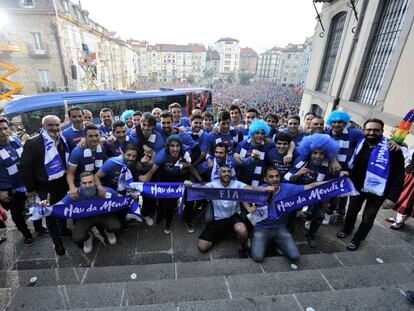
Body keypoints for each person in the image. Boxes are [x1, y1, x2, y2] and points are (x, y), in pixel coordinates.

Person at [337, 119, 405, 251]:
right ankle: (348, 228)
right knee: (351, 211)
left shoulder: (393, 149)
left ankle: (358, 238)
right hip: (357, 186)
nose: (372, 132)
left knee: (368, 218)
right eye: (369, 130)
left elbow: (398, 175)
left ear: (382, 131)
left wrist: (392, 197)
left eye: (376, 130)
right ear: (364, 130)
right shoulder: (359, 142)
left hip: (379, 191)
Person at [186, 165, 272, 258]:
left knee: (243, 230)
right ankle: (221, 233)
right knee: (202, 247)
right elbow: (201, 188)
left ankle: (242, 247)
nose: (226, 174)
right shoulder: (213, 184)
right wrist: (190, 185)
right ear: (219, 174)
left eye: (228, 171)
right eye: (223, 171)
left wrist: (264, 189)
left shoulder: (237, 184)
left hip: (233, 217)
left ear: (231, 173)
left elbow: (251, 188)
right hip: (218, 219)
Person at [250, 166, 323, 263]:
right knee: (257, 257)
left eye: (277, 176)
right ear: (265, 179)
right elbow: (242, 195)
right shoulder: (258, 190)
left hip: (279, 227)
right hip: (261, 228)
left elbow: (310, 186)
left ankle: (275, 242)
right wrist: (250, 208)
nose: (275, 179)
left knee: (295, 256)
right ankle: (256, 240)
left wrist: (335, 183)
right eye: (271, 177)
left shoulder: (287, 188)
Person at [19, 115, 70, 255]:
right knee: (50, 215)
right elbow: (24, 167)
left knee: (62, 209)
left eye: (57, 125)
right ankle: (57, 243)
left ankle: (63, 230)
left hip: (62, 184)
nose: (55, 128)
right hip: (45, 187)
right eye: (51, 125)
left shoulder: (62, 139)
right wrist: (31, 189)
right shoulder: (33, 143)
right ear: (44, 127)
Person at [140, 135, 203, 234]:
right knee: (168, 201)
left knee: (190, 198)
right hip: (168, 178)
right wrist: (143, 187)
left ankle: (187, 220)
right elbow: (151, 172)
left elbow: (191, 167)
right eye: (172, 146)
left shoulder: (185, 152)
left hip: (183, 177)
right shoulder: (162, 155)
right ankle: (168, 222)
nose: (175, 149)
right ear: (167, 147)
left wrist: (201, 181)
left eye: (177, 146)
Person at [285, 133, 340, 247]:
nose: (318, 156)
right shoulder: (302, 161)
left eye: (321, 153)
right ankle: (289, 230)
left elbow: (334, 185)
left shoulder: (330, 166)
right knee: (290, 209)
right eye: (315, 152)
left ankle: (311, 235)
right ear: (309, 151)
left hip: (317, 195)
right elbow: (287, 178)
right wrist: (297, 174)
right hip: (299, 192)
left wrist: (326, 200)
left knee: (319, 215)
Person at [0, 118, 47, 245]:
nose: (3, 132)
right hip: (9, 189)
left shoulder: (15, 140)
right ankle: (26, 235)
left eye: (5, 128)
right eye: (0, 129)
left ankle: (39, 228)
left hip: (26, 184)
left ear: (9, 129)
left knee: (35, 206)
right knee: (17, 215)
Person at [57, 172, 121, 254]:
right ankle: (88, 237)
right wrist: (46, 206)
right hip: (85, 218)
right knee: (78, 238)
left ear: (95, 182)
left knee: (116, 226)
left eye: (90, 182)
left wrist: (131, 195)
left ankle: (108, 231)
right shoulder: (75, 193)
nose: (87, 185)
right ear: (80, 184)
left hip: (103, 215)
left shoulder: (103, 190)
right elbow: (59, 204)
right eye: (84, 183)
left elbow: (119, 197)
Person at [67, 124, 103, 200]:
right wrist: (72, 187)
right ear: (85, 137)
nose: (94, 138)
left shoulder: (102, 147)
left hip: (96, 182)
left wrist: (99, 186)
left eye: (96, 135)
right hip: (82, 185)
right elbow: (70, 173)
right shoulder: (77, 152)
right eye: (90, 136)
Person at [234, 119, 271, 186]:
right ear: (252, 133)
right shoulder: (242, 145)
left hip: (259, 182)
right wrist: (235, 154)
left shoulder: (267, 146)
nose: (260, 135)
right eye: (257, 133)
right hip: (241, 180)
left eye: (262, 133)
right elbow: (238, 164)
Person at [385, 144, 414, 229]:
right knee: (402, 197)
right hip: (409, 174)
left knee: (408, 200)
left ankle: (400, 221)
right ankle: (398, 218)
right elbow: (409, 155)